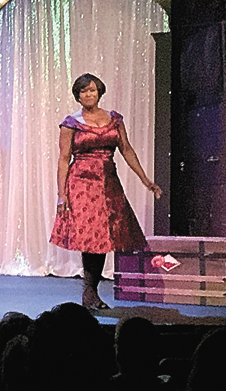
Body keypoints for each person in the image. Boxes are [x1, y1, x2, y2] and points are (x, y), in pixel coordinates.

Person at [51, 73, 162, 311]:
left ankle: (90, 292)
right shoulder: (71, 123)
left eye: (92, 90)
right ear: (78, 96)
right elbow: (63, 159)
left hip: (108, 183)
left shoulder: (114, 119)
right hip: (81, 182)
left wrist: (146, 180)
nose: (88, 94)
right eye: (83, 91)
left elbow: (126, 149)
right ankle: (90, 293)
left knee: (103, 239)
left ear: (99, 92)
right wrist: (62, 194)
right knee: (90, 238)